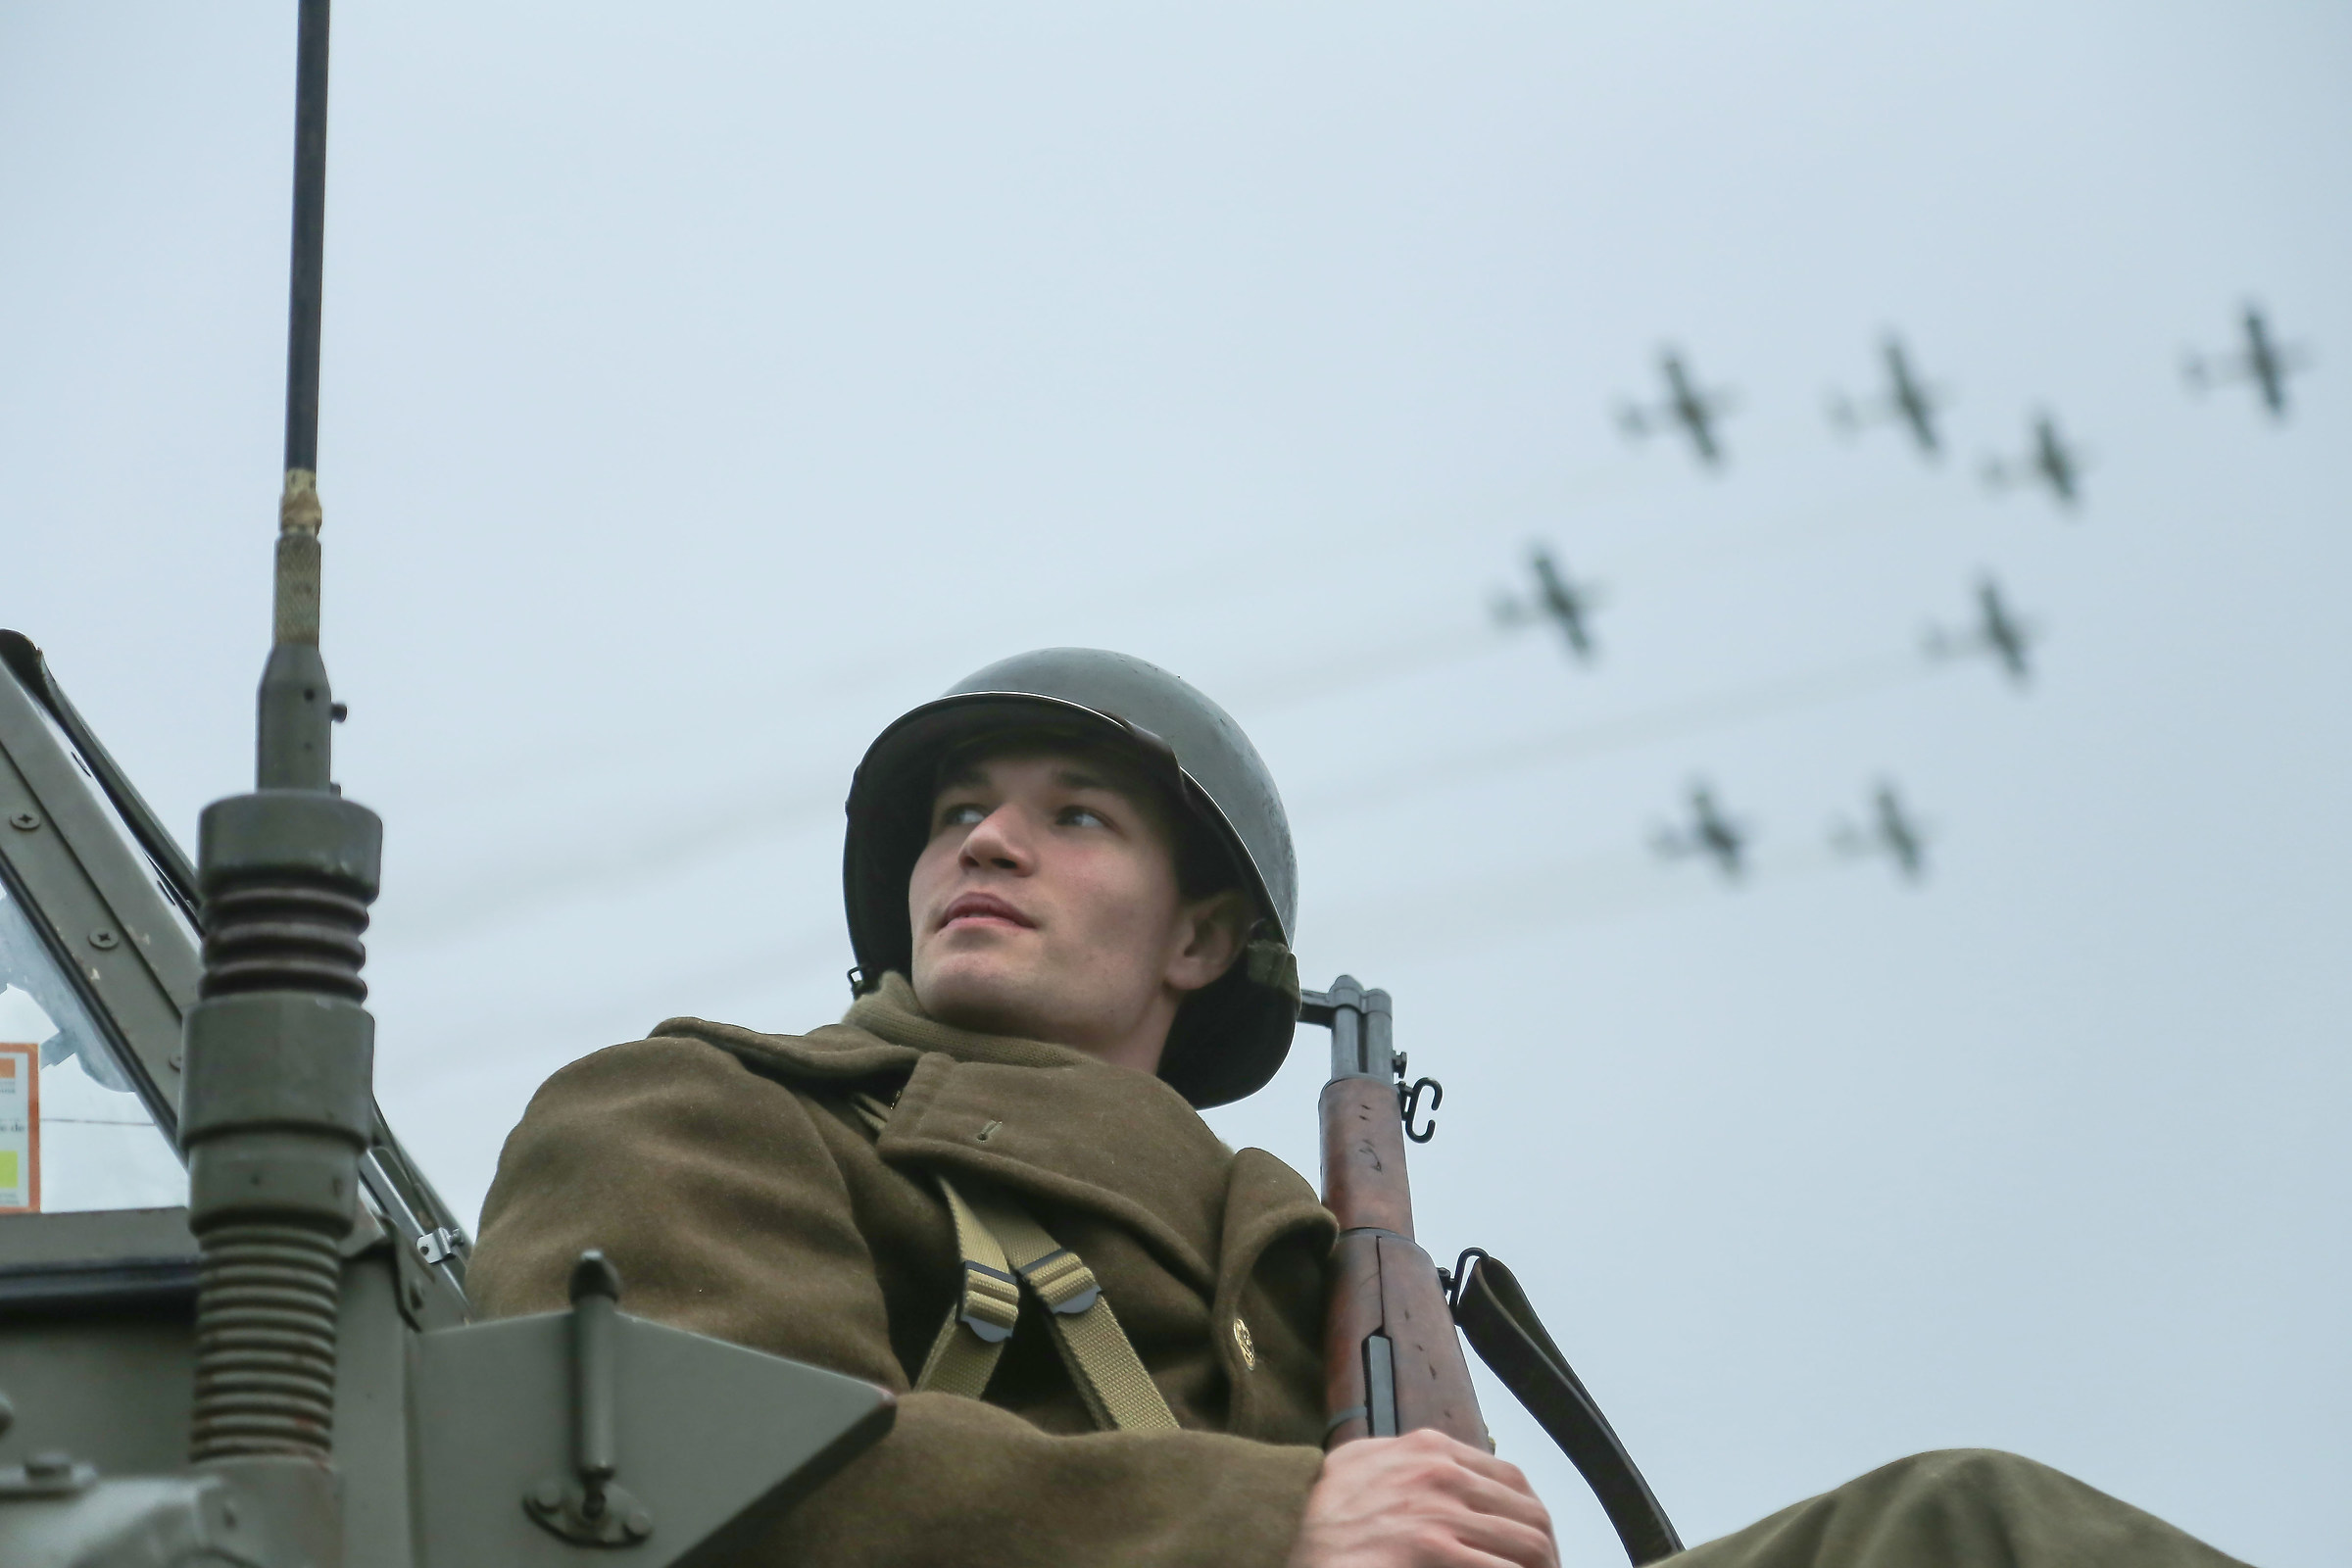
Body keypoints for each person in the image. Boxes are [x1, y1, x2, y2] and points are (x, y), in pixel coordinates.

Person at [468, 649, 2245, 1568]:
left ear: (1203, 939)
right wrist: (1269, 1534)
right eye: (958, 814)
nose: (987, 839)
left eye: (1074, 814)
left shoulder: (1300, 1266)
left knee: (1971, 1538)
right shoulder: (703, 1113)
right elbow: (649, 1477)